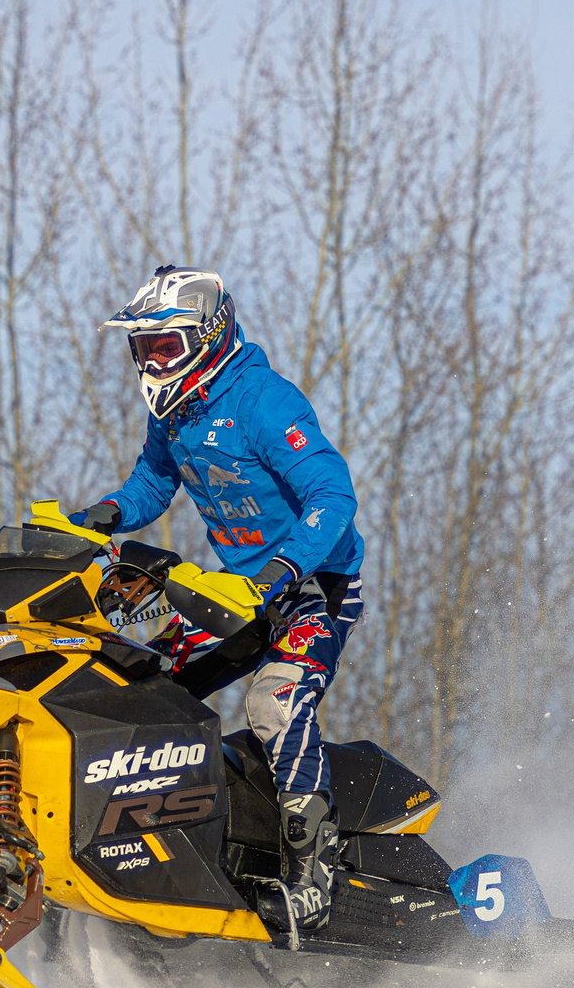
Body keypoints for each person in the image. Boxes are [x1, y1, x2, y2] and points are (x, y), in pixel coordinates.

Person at [75, 266, 363, 936]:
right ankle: (136, 849)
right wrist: (103, 515)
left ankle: (314, 873)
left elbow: (334, 495)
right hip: (236, 592)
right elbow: (152, 482)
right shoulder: (176, 415)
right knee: (138, 682)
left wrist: (286, 570)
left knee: (275, 700)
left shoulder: (263, 401)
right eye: (142, 350)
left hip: (312, 585)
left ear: (207, 335)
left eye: (164, 348)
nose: (151, 363)